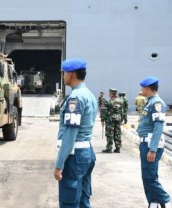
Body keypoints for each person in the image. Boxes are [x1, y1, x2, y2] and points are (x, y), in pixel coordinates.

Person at [54, 58, 97, 208]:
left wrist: (59, 164)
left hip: (75, 156)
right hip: (87, 153)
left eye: (64, 73)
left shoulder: (75, 98)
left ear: (71, 74)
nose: (63, 76)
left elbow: (70, 133)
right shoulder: (89, 94)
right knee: (83, 199)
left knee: (69, 201)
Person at [137, 76, 171, 208]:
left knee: (149, 178)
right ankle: (154, 202)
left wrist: (152, 149)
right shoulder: (150, 101)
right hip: (146, 143)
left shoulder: (157, 103)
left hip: (150, 144)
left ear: (147, 88)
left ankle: (165, 200)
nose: (141, 90)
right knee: (149, 176)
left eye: (142, 88)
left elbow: (158, 127)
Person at [101, 88, 124, 153]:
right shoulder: (120, 101)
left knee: (109, 133)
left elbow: (104, 111)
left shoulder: (108, 101)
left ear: (111, 93)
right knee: (117, 133)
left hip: (110, 119)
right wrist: (121, 119)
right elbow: (122, 111)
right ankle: (118, 148)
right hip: (118, 119)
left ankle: (109, 148)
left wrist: (102, 120)